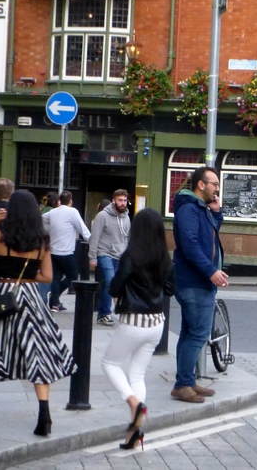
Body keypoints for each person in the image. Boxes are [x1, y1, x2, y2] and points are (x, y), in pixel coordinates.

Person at [0, 190, 74, 436]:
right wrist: (28, 277)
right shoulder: (42, 242)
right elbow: (48, 277)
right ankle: (44, 416)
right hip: (31, 297)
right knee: (37, 352)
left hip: (2, 295)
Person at [102, 208, 174, 450]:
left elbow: (114, 288)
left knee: (110, 364)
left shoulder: (131, 256)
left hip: (134, 321)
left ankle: (134, 403)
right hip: (157, 323)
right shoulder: (165, 257)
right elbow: (170, 289)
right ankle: (134, 433)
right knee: (137, 375)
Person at [171, 166, 227, 403]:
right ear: (201, 185)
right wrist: (211, 271)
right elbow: (191, 245)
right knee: (198, 334)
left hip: (197, 281)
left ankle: (186, 380)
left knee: (188, 333)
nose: (217, 188)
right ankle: (183, 385)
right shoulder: (189, 210)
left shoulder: (200, 209)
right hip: (194, 282)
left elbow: (208, 237)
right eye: (214, 183)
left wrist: (216, 214)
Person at [42, 191, 90, 312]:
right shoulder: (72, 211)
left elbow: (42, 220)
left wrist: (49, 231)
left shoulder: (52, 212)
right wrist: (93, 242)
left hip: (53, 251)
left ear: (59, 201)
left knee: (56, 277)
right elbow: (82, 229)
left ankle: (55, 303)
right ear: (70, 201)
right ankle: (54, 296)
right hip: (66, 252)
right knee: (73, 277)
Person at [89, 189, 131, 326]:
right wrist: (92, 257)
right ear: (113, 200)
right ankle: (104, 313)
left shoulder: (126, 217)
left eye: (124, 200)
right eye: (120, 200)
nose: (123, 203)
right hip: (104, 252)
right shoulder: (102, 216)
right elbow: (94, 237)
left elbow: (127, 238)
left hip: (120, 255)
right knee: (109, 281)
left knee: (116, 283)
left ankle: (108, 310)